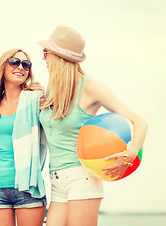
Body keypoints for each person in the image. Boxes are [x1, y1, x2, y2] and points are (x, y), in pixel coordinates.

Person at [38, 25, 148, 226]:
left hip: (82, 178)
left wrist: (129, 155)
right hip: (55, 179)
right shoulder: (52, 88)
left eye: (46, 53)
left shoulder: (90, 87)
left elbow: (140, 123)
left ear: (59, 57)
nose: (43, 58)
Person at [0, 49, 47, 226]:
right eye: (14, 62)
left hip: (27, 187)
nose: (21, 67)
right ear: (3, 66)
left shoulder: (35, 100)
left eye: (26, 64)